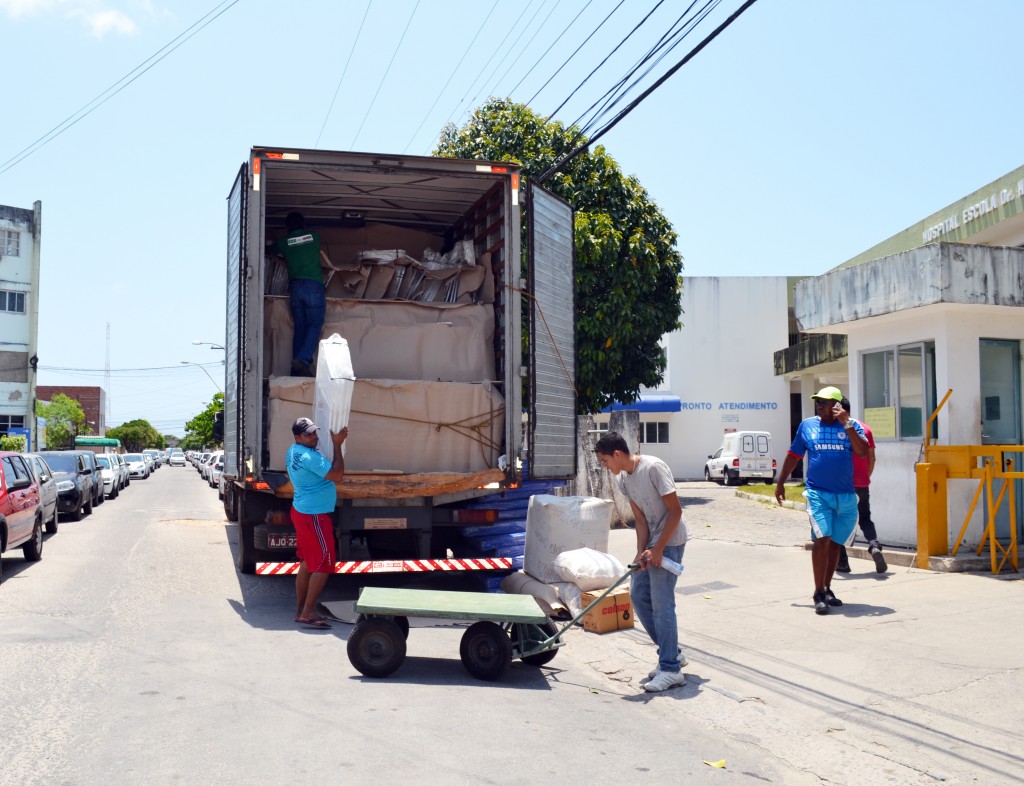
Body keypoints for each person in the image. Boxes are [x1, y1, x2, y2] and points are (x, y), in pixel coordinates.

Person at [595, 431, 690, 692]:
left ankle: (671, 669)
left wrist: (658, 549)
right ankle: (673, 653)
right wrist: (641, 552)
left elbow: (676, 511)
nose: (605, 467)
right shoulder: (624, 479)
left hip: (670, 541)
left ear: (617, 454)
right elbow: (642, 520)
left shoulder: (653, 468)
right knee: (638, 595)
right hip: (652, 544)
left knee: (662, 604)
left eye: (605, 461)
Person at [774, 386, 867, 615]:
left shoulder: (852, 426)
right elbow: (794, 455)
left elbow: (862, 451)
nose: (820, 406)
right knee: (822, 539)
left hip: (845, 495)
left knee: (836, 543)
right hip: (817, 493)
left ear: (837, 406)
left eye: (824, 403)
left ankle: (827, 588)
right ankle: (818, 592)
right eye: (818, 403)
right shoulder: (808, 425)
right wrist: (780, 482)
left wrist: (846, 423)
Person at [286, 416, 348, 629]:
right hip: (314, 516)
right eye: (308, 434)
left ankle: (301, 610)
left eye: (314, 432)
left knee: (307, 563)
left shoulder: (293, 451)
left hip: (302, 511)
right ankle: (308, 612)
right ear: (298, 437)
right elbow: (337, 475)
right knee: (324, 562)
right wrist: (338, 446)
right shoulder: (309, 457)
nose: (314, 437)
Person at [835, 397, 887, 574]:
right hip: (862, 483)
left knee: (838, 522)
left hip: (842, 484)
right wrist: (865, 477)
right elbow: (871, 457)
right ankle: (874, 546)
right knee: (865, 518)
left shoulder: (836, 428)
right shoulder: (865, 428)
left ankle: (842, 562)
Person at [272, 212, 325, 377]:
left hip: (295, 288)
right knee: (314, 325)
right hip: (313, 287)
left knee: (300, 328)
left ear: (287, 227)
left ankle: (296, 370)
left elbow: (270, 249)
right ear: (303, 224)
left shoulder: (283, 243)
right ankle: (302, 360)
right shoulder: (314, 237)